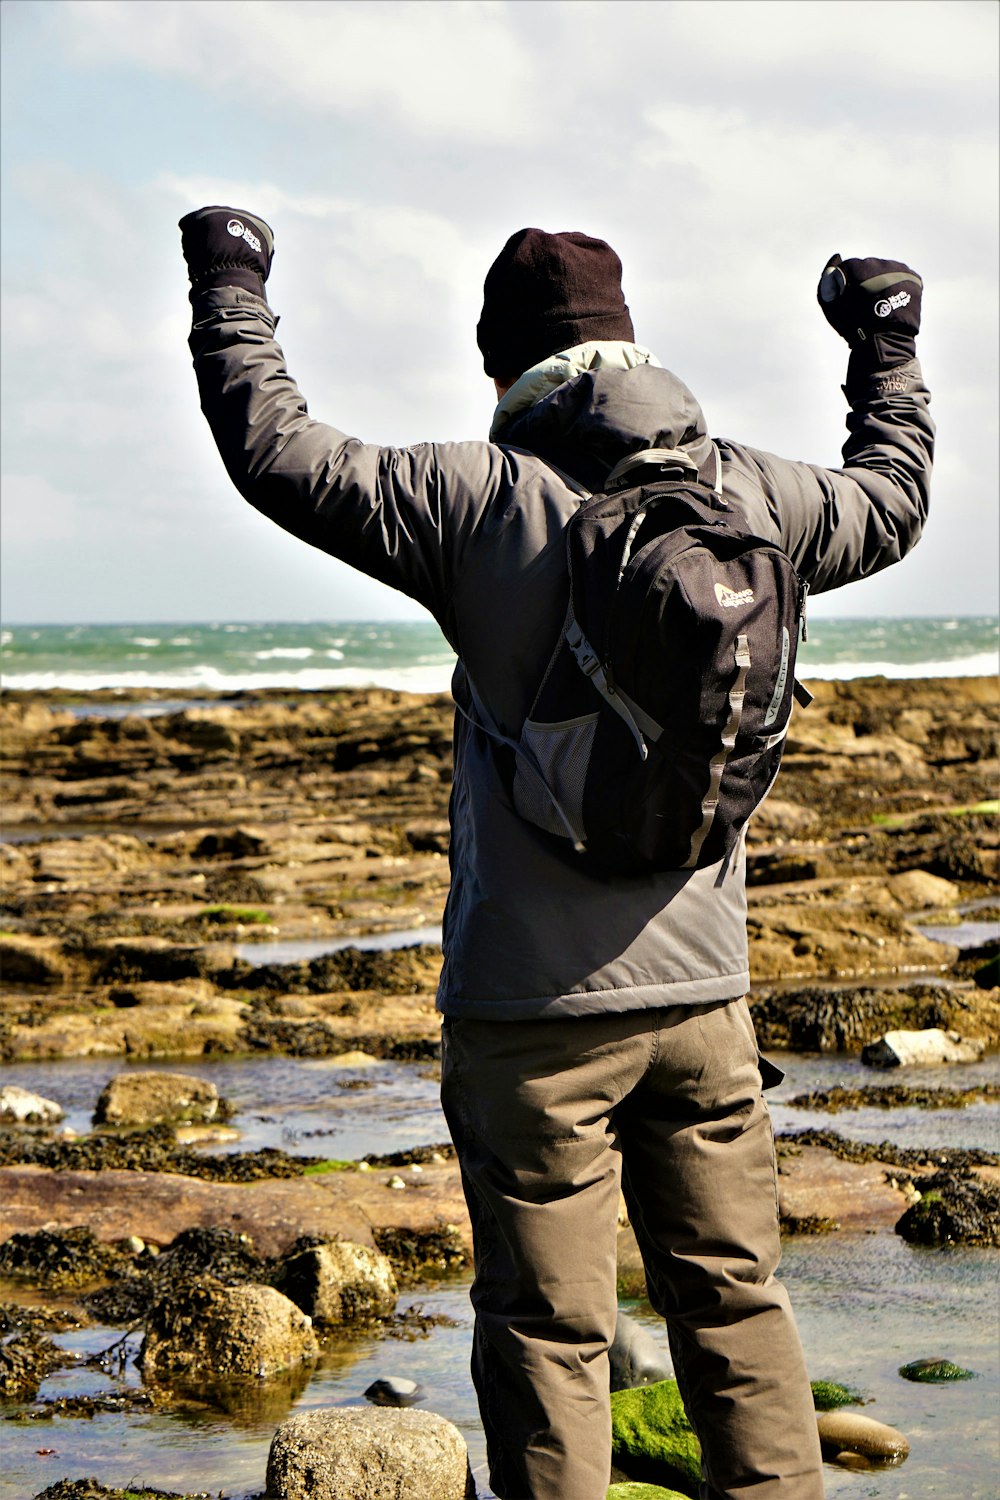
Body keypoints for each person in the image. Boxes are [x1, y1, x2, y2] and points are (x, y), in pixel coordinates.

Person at [179, 209, 932, 1500]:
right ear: (627, 342)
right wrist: (886, 344)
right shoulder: (749, 492)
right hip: (703, 1004)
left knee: (547, 1341)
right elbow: (897, 495)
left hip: (533, 1021)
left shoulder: (477, 504)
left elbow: (276, 451)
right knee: (738, 1310)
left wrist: (230, 281)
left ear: (501, 369)